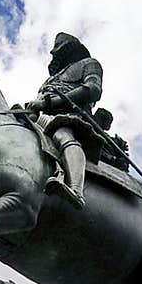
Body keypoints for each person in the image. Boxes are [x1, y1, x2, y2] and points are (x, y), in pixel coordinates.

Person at [24, 32, 104, 210]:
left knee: (62, 135)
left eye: (61, 50)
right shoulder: (50, 79)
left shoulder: (89, 64)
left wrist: (51, 102)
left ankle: (75, 190)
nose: (56, 55)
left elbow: (93, 89)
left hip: (71, 117)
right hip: (41, 117)